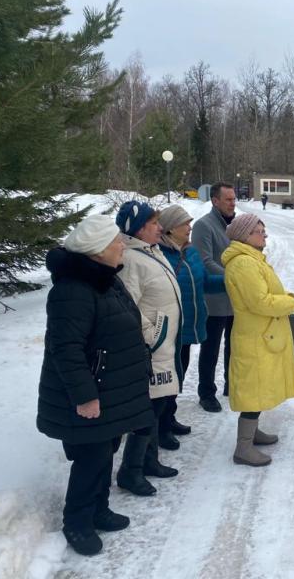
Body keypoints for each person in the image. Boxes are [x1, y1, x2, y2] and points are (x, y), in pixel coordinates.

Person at [37, 215, 154, 556]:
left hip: (112, 389)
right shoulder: (72, 290)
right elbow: (66, 349)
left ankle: (98, 509)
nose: (123, 245)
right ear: (97, 250)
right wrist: (85, 397)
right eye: (117, 241)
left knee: (106, 451)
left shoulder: (106, 279)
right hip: (93, 392)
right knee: (91, 458)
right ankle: (76, 522)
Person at [222, 213, 294, 466]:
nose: (264, 235)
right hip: (254, 337)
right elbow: (260, 302)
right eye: (259, 231)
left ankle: (252, 432)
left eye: (264, 230)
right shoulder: (244, 264)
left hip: (260, 335)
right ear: (245, 236)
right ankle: (243, 448)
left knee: (258, 387)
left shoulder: (252, 260)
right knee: (253, 390)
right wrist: (290, 301)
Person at [115, 200, 183, 494]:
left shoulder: (150, 251)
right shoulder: (130, 259)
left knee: (159, 403)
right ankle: (131, 470)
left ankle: (149, 460)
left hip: (163, 343)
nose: (160, 227)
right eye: (154, 223)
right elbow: (127, 304)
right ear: (139, 228)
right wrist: (153, 334)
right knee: (149, 408)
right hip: (151, 346)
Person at [157, 205, 225, 449]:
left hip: (187, 327)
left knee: (179, 375)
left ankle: (169, 416)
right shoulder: (161, 255)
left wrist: (232, 280)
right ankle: (160, 426)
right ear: (170, 228)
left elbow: (205, 282)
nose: (189, 228)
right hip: (168, 330)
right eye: (185, 223)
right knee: (166, 379)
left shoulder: (190, 252)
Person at [191, 182, 236, 412]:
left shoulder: (235, 225)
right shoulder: (203, 226)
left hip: (236, 299)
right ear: (215, 201)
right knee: (211, 348)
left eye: (234, 198)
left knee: (235, 345)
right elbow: (205, 261)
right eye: (228, 199)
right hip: (215, 299)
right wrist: (236, 277)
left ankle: (232, 384)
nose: (233, 203)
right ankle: (206, 392)